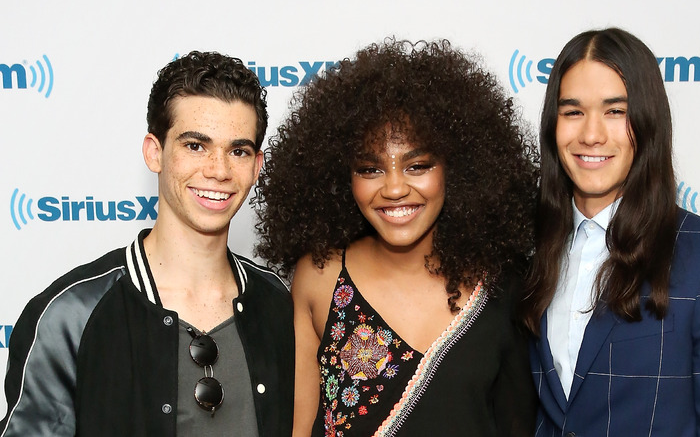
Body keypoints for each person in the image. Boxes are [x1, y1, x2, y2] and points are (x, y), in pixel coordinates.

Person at [254, 39, 539, 436]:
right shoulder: (320, 276)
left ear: (458, 167)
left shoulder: (501, 285)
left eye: (418, 165)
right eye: (370, 169)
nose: (393, 188)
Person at [0, 51, 293, 436]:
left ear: (256, 166)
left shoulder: (279, 303)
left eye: (237, 151)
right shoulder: (69, 316)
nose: (218, 170)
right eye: (195, 146)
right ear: (155, 152)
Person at [523, 27, 700, 436]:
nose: (591, 134)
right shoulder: (533, 254)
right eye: (573, 111)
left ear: (647, 122)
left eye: (615, 111)